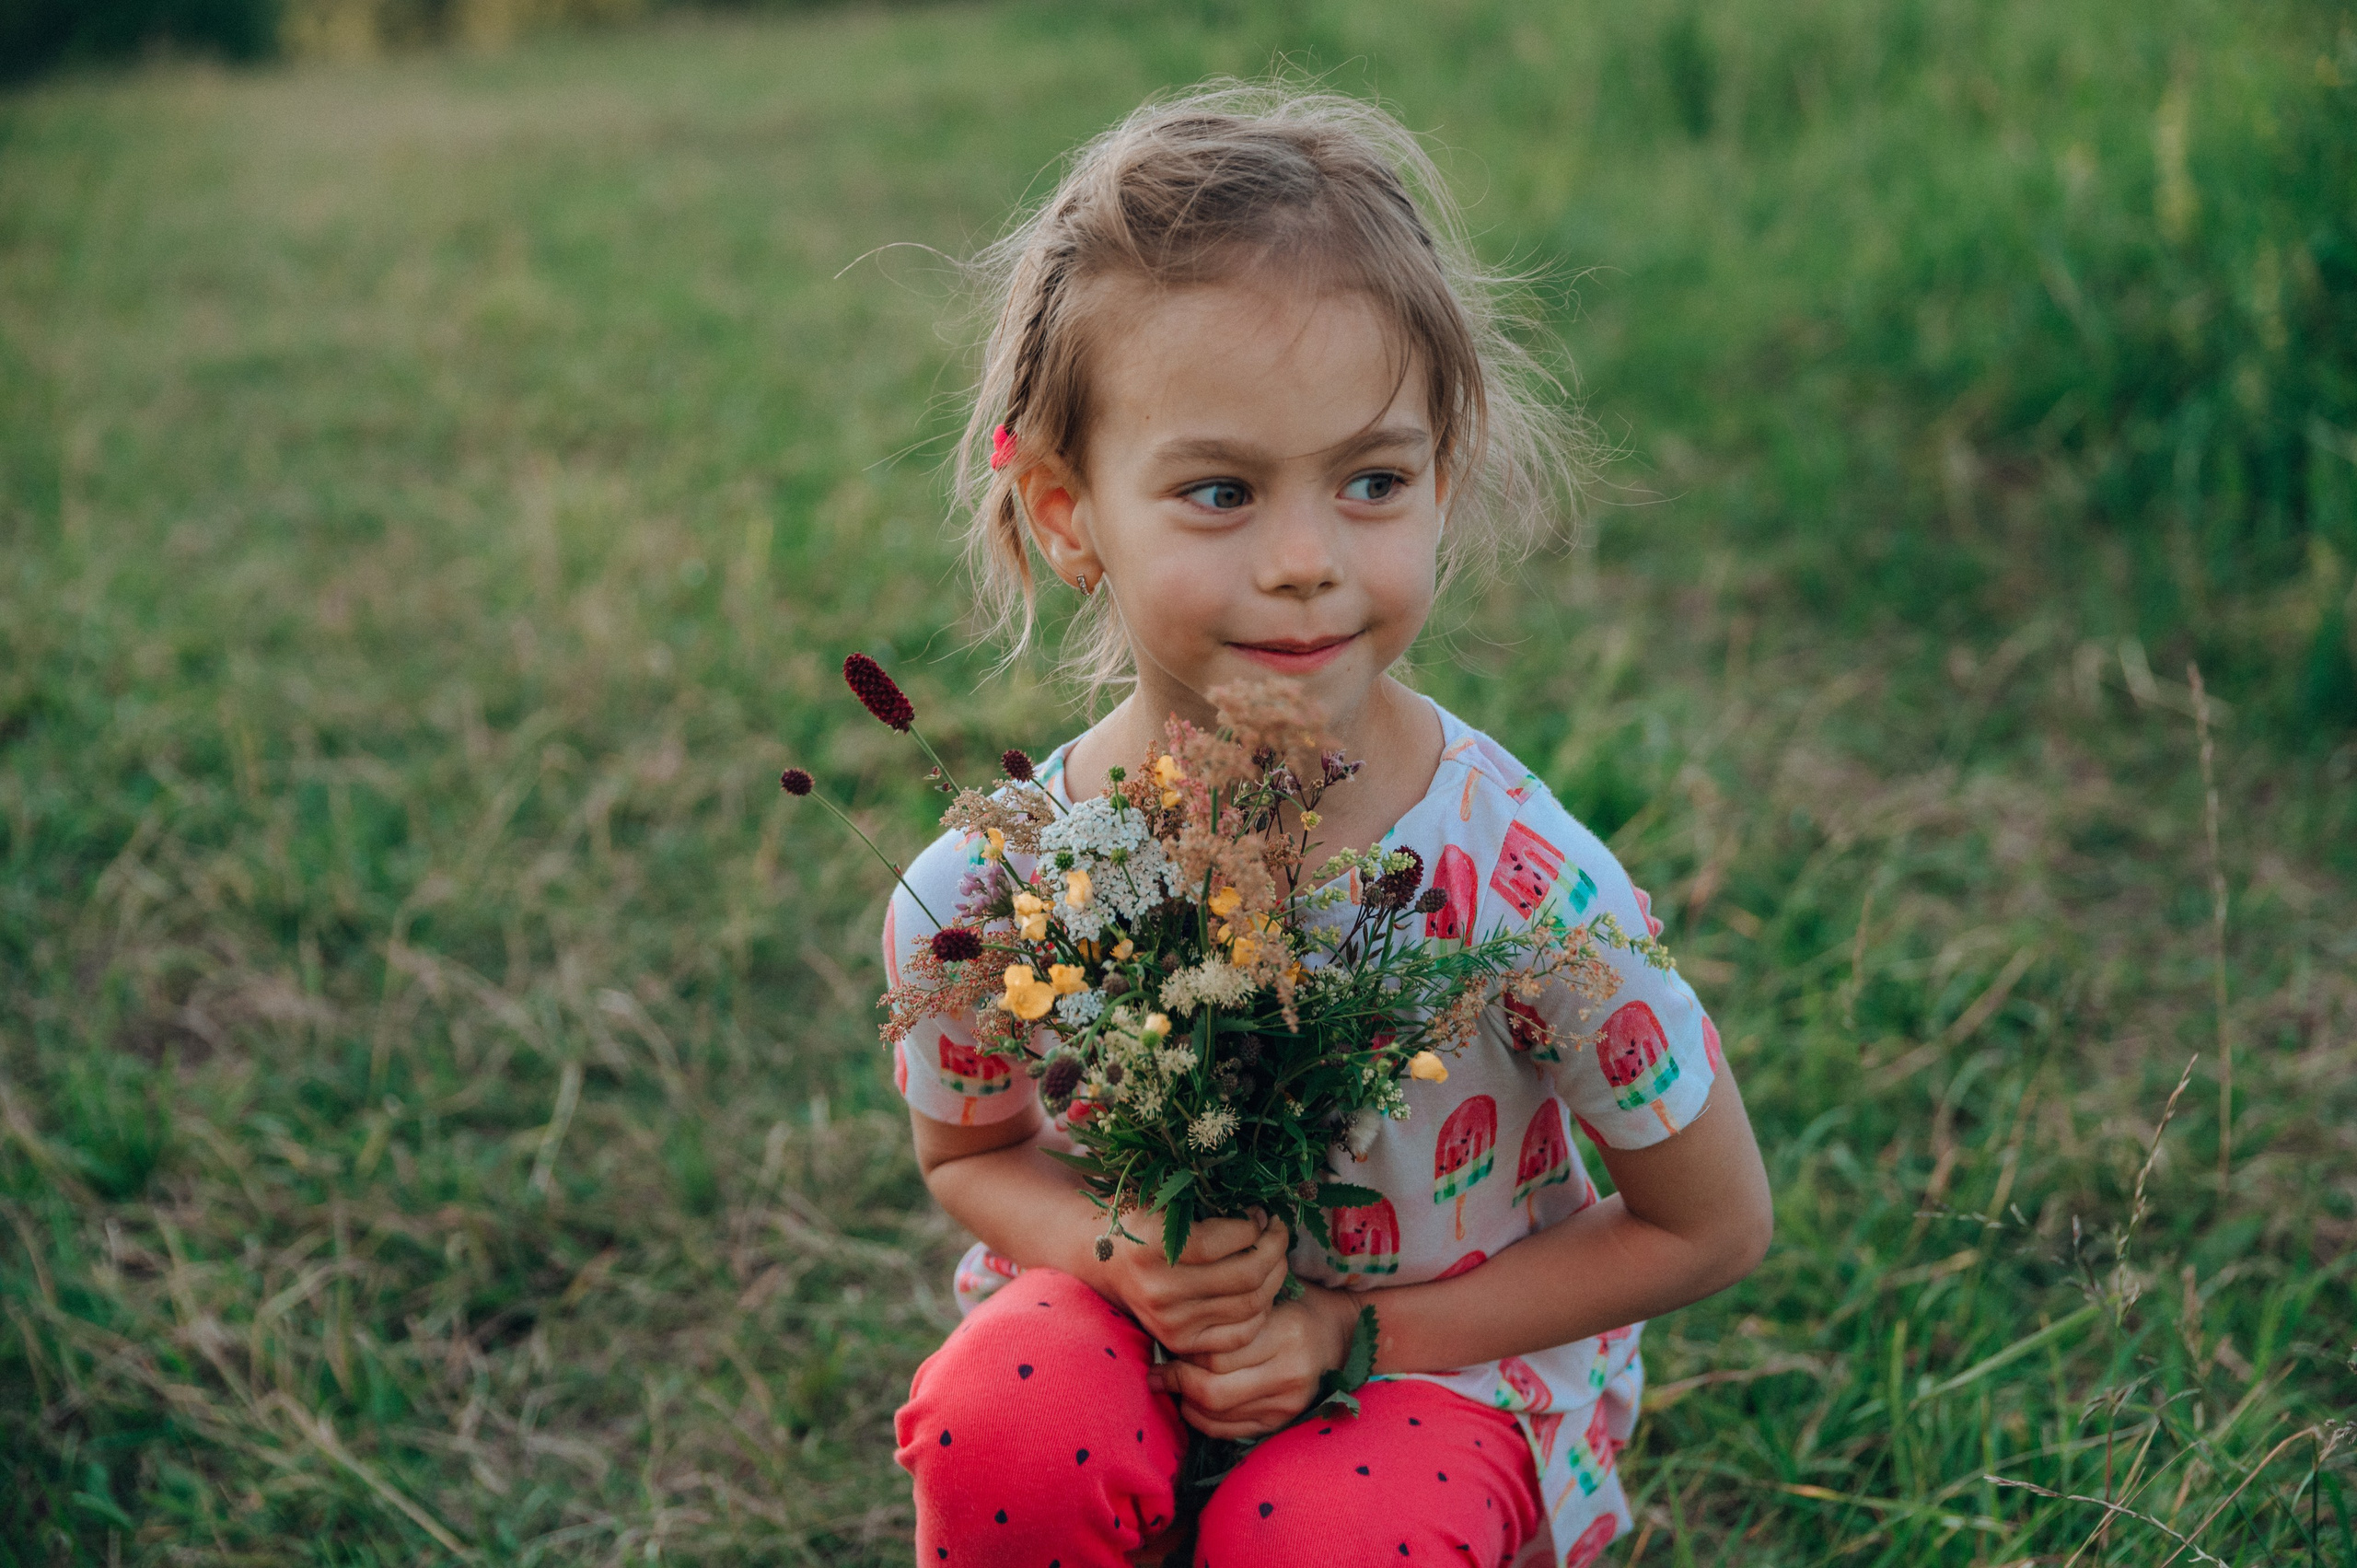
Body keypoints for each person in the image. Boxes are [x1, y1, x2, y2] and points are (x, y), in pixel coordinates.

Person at [882, 83, 1773, 1568]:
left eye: (1371, 480)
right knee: (1011, 1415)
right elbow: (969, 1155)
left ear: (1447, 469)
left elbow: (1710, 1225)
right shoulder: (997, 885)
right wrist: (1122, 1255)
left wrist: (1347, 1334)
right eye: (1220, 491)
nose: (1305, 563)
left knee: (1326, 1539)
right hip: (1140, 1345)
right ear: (1063, 509)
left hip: (1433, 1377)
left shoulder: (1520, 888)